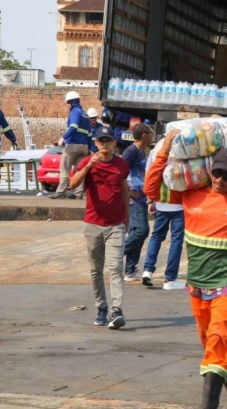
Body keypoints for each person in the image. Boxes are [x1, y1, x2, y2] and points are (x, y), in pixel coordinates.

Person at [147, 130, 227, 409]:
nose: (220, 180)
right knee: (212, 341)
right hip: (198, 283)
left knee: (218, 339)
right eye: (217, 173)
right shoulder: (190, 194)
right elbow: (151, 190)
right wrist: (165, 149)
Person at [70, 125, 130, 329]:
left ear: (114, 143)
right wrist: (88, 167)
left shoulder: (121, 165)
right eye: (101, 141)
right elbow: (72, 184)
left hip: (116, 225)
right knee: (96, 270)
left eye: (108, 141)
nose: (105, 144)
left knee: (116, 267)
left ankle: (116, 310)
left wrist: (127, 220)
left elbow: (124, 192)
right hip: (93, 224)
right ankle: (101, 307)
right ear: (95, 143)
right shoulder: (88, 161)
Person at [141, 138, 186, 291]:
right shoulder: (187, 147)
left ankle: (147, 270)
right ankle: (170, 278)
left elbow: (150, 173)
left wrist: (150, 200)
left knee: (156, 236)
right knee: (176, 241)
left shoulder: (159, 147)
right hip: (179, 204)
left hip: (161, 203)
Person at [121, 123, 154, 282]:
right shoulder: (131, 151)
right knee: (142, 230)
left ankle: (130, 270)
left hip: (142, 197)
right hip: (134, 199)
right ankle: (116, 254)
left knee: (137, 233)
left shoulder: (142, 151)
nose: (152, 134)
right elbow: (120, 171)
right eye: (150, 132)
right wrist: (127, 191)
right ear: (144, 135)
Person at [50, 91, 91, 199]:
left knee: (64, 168)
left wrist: (63, 138)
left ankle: (61, 192)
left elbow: (73, 127)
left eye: (67, 103)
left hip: (73, 145)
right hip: (84, 146)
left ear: (71, 102)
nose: (67, 105)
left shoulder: (75, 111)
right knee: (79, 170)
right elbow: (89, 133)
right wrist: (89, 148)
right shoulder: (85, 114)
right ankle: (79, 193)